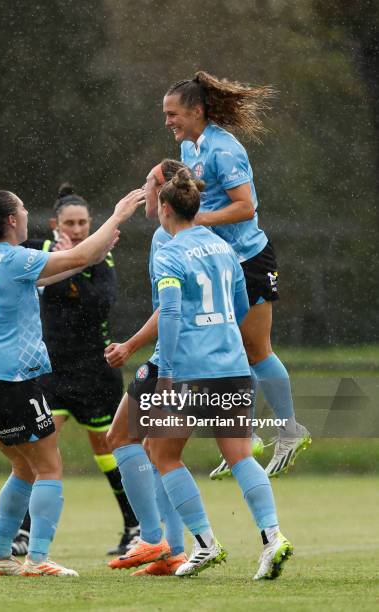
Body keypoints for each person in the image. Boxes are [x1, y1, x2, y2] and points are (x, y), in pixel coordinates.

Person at [0, 184, 139, 556]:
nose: (29, 213)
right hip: (9, 381)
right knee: (49, 467)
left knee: (24, 468)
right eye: (24, 208)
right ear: (12, 220)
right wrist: (118, 214)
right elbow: (82, 254)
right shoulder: (19, 259)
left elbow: (61, 270)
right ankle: (39, 558)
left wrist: (83, 259)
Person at [112, 169, 293, 579]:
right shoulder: (223, 248)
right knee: (241, 457)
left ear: (165, 208)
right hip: (232, 368)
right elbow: (242, 306)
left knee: (162, 455)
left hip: (190, 371)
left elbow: (171, 311)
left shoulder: (169, 252)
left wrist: (169, 371)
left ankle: (205, 543)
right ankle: (273, 538)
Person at [162, 70, 311, 479]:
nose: (168, 121)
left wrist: (199, 219)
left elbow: (246, 207)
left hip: (249, 259)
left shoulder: (224, 149)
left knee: (256, 349)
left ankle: (290, 430)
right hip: (222, 262)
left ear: (196, 110)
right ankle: (243, 438)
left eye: (173, 113)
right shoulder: (194, 148)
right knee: (233, 349)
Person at [105, 159, 192, 577]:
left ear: (161, 192)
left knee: (120, 437)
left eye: (146, 182)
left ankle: (153, 538)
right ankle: (172, 549)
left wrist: (132, 344)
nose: (141, 189)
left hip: (170, 359)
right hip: (201, 355)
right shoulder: (200, 236)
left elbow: (169, 308)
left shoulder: (165, 239)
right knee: (154, 453)